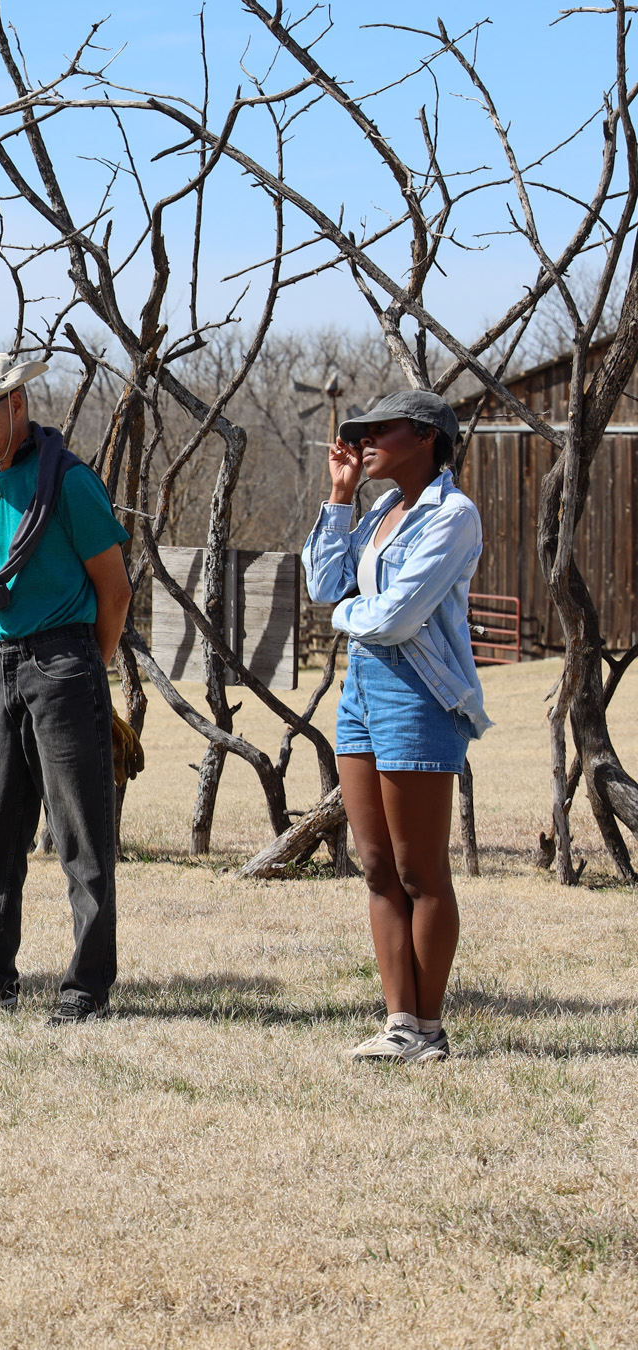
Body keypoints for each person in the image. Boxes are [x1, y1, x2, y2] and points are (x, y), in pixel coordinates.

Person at [0, 352, 132, 1026]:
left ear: (16, 405)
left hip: (63, 660)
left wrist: (83, 670)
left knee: (80, 838)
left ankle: (85, 989)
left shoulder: (69, 484)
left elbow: (116, 590)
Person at [302, 390, 488, 1065]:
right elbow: (326, 583)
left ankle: (431, 1031)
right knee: (377, 866)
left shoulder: (453, 515)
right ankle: (398, 1024)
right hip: (362, 690)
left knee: (419, 870)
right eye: (362, 431)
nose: (366, 439)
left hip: (419, 693)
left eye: (381, 428)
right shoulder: (380, 509)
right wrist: (341, 495)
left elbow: (395, 617)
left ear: (428, 436)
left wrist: (347, 615)